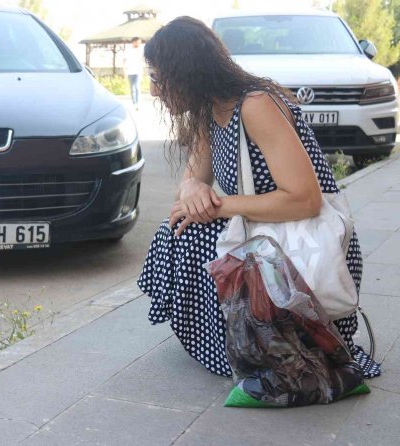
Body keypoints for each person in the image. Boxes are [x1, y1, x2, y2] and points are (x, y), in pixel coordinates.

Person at [137, 17, 380, 379]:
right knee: (177, 227)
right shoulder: (209, 109)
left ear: (187, 72)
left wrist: (222, 206)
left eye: (158, 78)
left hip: (306, 246)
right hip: (267, 237)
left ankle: (260, 346)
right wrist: (190, 188)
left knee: (191, 237)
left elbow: (305, 200)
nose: (154, 90)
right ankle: (237, 344)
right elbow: (193, 179)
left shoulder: (255, 105)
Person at [123, 37, 143, 110]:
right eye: (137, 42)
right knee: (132, 88)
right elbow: (124, 61)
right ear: (133, 42)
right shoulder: (128, 51)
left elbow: (143, 60)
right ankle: (134, 103)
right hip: (130, 72)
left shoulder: (141, 50)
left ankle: (137, 103)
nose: (138, 44)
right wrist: (124, 71)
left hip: (138, 72)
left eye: (139, 42)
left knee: (137, 87)